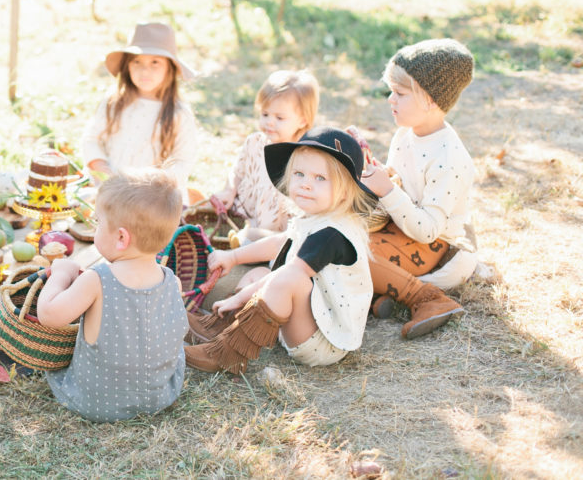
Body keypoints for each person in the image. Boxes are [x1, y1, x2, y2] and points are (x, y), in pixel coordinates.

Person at [185, 127, 377, 373]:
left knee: (288, 276)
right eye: (299, 174)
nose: (306, 185)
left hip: (323, 340)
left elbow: (288, 274)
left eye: (320, 178)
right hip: (308, 317)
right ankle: (221, 328)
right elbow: (279, 242)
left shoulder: (332, 233)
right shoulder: (314, 218)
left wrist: (237, 298)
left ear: (345, 192)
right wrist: (233, 256)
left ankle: (229, 353)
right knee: (260, 275)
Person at [37, 168, 188, 422]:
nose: (95, 228)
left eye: (97, 223)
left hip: (97, 403)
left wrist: (61, 273)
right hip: (161, 396)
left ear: (121, 237)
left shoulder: (97, 279)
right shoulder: (172, 281)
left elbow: (50, 315)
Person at [359, 38, 475, 339]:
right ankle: (383, 295)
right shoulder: (405, 135)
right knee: (339, 234)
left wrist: (387, 190)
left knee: (354, 252)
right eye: (390, 91)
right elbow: (399, 183)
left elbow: (429, 230)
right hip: (400, 228)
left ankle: (431, 301)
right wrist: (377, 173)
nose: (389, 99)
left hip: (435, 245)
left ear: (431, 100)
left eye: (399, 93)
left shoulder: (448, 158)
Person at [80, 22, 198, 199]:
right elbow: (91, 139)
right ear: (127, 65)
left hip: (154, 197)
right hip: (111, 187)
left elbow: (183, 160)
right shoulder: (114, 101)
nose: (145, 70)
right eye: (137, 61)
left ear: (170, 68)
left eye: (155, 63)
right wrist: (104, 172)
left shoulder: (179, 113)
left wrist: (154, 183)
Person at [211, 69, 319, 244]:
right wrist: (230, 190)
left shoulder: (303, 157)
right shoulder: (255, 142)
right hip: (244, 214)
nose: (269, 122)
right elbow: (237, 171)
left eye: (279, 118)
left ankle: (258, 245)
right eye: (265, 114)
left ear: (302, 121)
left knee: (273, 241)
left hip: (275, 229)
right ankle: (241, 236)